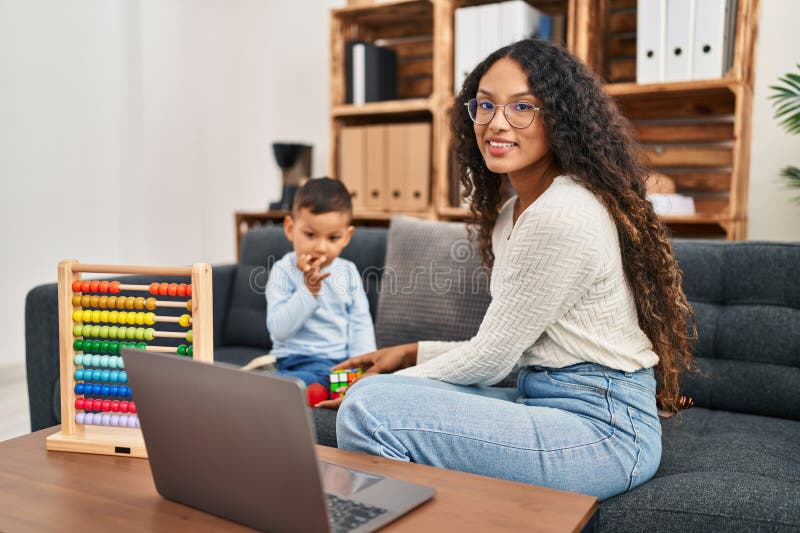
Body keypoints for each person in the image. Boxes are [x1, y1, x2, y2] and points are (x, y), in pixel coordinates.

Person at [316, 39, 696, 501]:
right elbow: (512, 347)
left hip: (604, 431)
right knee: (379, 403)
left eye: (522, 107)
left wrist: (387, 381)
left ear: (559, 117)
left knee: (369, 409)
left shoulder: (562, 213)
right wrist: (411, 353)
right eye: (485, 105)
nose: (497, 123)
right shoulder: (513, 212)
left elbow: (492, 358)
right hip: (543, 399)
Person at [265, 177, 376, 387]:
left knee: (364, 385)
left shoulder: (348, 272)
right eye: (310, 235)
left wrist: (363, 369)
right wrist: (309, 290)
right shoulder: (282, 270)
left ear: (346, 236)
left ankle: (309, 389)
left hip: (338, 363)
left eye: (333, 238)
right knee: (289, 382)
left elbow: (360, 324)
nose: (321, 248)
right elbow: (279, 330)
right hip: (294, 361)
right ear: (290, 228)